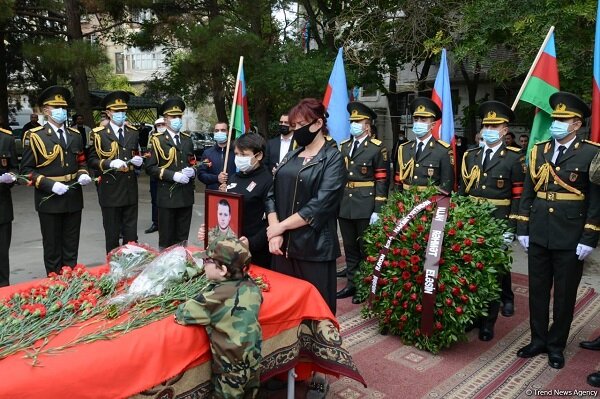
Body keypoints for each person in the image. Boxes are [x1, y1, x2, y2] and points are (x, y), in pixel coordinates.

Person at [265, 98, 345, 398]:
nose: (295, 131)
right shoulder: (291, 156)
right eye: (293, 126)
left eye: (300, 126)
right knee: (285, 313)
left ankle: (317, 375)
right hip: (283, 248)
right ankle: (285, 366)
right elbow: (271, 193)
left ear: (318, 124)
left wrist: (281, 228)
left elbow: (321, 205)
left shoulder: (333, 158)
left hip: (314, 249)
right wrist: (274, 231)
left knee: (316, 315)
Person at [515, 91, 600, 370]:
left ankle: (555, 345)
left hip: (571, 235)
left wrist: (589, 236)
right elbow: (528, 192)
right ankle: (538, 339)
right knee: (537, 290)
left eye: (563, 119)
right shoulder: (539, 151)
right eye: (555, 118)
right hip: (539, 230)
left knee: (564, 295)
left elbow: (595, 201)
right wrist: (523, 226)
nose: (556, 123)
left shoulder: (591, 152)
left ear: (576, 124)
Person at [460, 101, 525, 341]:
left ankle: (488, 321)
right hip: (472, 222)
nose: (488, 128)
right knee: (471, 271)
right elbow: (463, 191)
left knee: (494, 274)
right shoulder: (471, 155)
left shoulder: (513, 159)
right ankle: (474, 316)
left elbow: (518, 196)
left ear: (505, 130)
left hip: (498, 222)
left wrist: (512, 228)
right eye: (486, 124)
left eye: (494, 125)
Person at [175, 236, 262, 399]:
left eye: (207, 261)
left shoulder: (213, 298)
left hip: (229, 371)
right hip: (253, 363)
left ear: (222, 270)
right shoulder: (252, 286)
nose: (203, 264)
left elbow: (182, 314)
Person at [20, 86, 92, 275]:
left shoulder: (75, 135)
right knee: (52, 247)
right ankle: (54, 283)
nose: (61, 111)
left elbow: (81, 161)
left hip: (73, 196)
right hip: (49, 198)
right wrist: (49, 184)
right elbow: (26, 171)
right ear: (45, 110)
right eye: (55, 107)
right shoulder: (35, 136)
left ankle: (71, 281)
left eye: (63, 107)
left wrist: (83, 173)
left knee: (71, 244)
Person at [337, 102, 388, 304]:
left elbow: (382, 179)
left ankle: (366, 285)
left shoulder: (377, 148)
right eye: (352, 121)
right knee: (349, 247)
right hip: (344, 204)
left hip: (365, 204)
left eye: (358, 121)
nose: (354, 125)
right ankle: (352, 284)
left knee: (366, 248)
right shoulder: (344, 146)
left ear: (367, 125)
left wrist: (378, 208)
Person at [198, 133, 273, 268]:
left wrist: (252, 242)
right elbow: (224, 211)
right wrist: (209, 230)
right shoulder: (234, 178)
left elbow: (271, 221)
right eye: (237, 154)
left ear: (259, 155)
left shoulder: (268, 181)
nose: (239, 158)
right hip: (229, 249)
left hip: (254, 253)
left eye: (244, 155)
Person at [88, 91, 143, 253]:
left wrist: (138, 162)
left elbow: (134, 154)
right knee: (112, 235)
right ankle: (113, 268)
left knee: (131, 234)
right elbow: (91, 160)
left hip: (130, 188)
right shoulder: (99, 134)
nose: (121, 114)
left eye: (123, 111)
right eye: (117, 111)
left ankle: (131, 267)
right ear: (109, 112)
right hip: (110, 189)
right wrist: (109, 163)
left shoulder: (132, 132)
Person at [146, 98, 196, 249]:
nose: (177, 120)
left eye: (179, 117)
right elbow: (150, 167)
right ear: (166, 119)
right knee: (167, 239)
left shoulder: (187, 140)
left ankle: (182, 266)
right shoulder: (157, 140)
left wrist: (192, 171)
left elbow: (192, 161)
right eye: (173, 117)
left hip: (185, 195)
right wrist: (172, 175)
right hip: (167, 195)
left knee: (182, 238)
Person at [394, 97, 454, 192]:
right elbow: (398, 180)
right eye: (416, 119)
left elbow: (446, 185)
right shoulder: (404, 148)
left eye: (423, 120)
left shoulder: (443, 150)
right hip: (405, 203)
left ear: (433, 125)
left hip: (430, 204)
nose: (418, 123)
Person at [0, 127, 18, 286]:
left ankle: (3, 292)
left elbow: (14, 168)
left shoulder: (6, 138)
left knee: (1, 254)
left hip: (2, 206)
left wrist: (10, 177)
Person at [197, 122, 236, 190]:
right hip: (213, 194)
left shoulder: (237, 152)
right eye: (217, 130)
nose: (219, 132)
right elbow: (201, 175)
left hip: (234, 193)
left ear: (228, 132)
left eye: (223, 130)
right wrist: (216, 178)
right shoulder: (207, 153)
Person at [144, 118, 165, 234]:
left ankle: (165, 223)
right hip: (154, 173)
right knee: (155, 199)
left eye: (162, 124)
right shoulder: (152, 137)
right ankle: (156, 223)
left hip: (168, 174)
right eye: (158, 125)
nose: (160, 126)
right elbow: (149, 151)